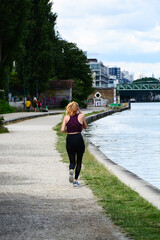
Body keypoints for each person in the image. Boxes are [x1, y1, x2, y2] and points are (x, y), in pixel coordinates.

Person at [61, 101, 87, 187]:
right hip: (78, 138)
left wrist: (67, 131)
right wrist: (80, 112)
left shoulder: (66, 117)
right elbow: (85, 127)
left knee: (72, 160)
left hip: (70, 139)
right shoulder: (81, 116)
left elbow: (62, 130)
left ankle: (71, 168)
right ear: (77, 108)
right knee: (79, 161)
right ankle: (75, 180)